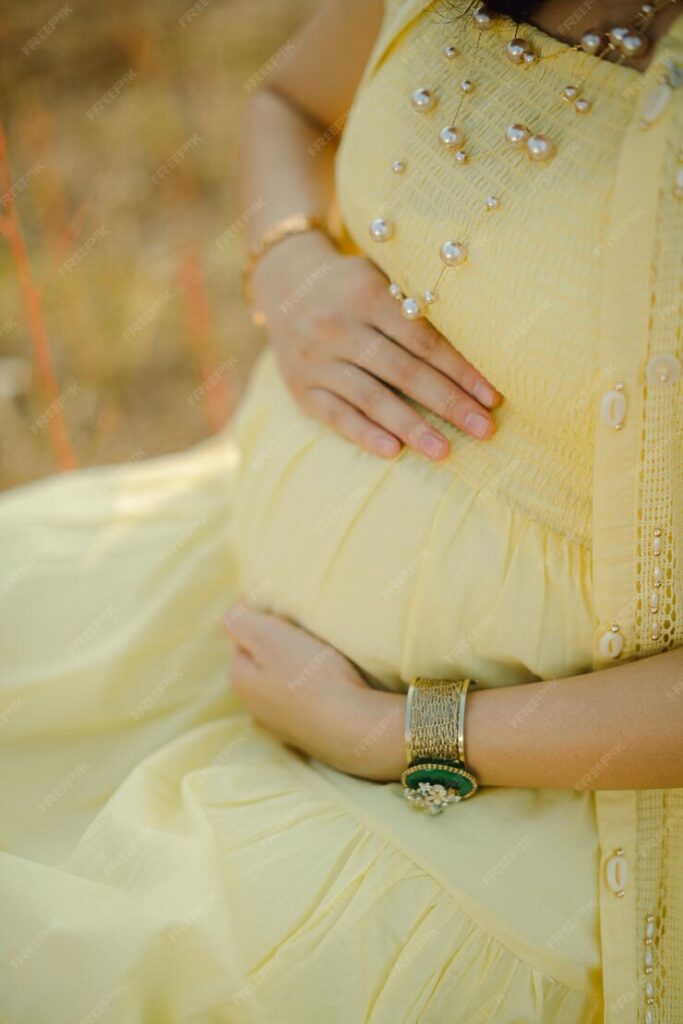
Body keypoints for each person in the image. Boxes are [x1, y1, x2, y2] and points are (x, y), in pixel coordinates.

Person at [1, 1, 682, 1021]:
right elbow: (288, 100)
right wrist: (287, 261)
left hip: (490, 816)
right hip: (204, 587)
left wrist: (395, 733)